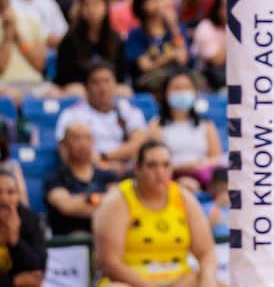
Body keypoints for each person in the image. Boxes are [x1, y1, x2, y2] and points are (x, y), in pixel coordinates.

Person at [92, 141, 222, 287]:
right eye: (152, 165)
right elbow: (109, 263)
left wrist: (208, 281)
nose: (160, 172)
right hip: (133, 281)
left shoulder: (184, 198)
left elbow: (206, 251)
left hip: (179, 279)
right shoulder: (117, 201)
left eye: (166, 165)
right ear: (137, 168)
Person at [55, 62, 148, 174]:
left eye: (107, 81)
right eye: (96, 82)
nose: (102, 88)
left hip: (126, 171)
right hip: (89, 173)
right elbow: (65, 152)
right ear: (86, 88)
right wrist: (103, 166)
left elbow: (137, 143)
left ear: (115, 85)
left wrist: (104, 157)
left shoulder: (128, 110)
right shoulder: (72, 114)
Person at [147, 71, 222, 193]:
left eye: (187, 88)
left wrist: (198, 165)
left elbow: (216, 159)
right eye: (176, 88)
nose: (182, 92)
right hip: (171, 177)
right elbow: (156, 160)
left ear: (195, 93)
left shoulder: (207, 125)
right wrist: (183, 169)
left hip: (204, 177)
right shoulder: (156, 125)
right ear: (166, 93)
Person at [45, 121, 120, 236]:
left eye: (87, 138)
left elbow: (119, 205)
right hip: (69, 242)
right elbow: (67, 207)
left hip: (104, 236)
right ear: (64, 144)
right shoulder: (55, 178)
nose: (83, 144)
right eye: (76, 138)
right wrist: (103, 201)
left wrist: (86, 200)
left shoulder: (109, 176)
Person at [53, 0, 127, 95]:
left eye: (96, 4)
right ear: (81, 9)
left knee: (124, 91)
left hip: (107, 85)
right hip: (79, 85)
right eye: (87, 5)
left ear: (106, 7)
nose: (91, 9)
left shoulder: (116, 39)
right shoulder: (70, 39)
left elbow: (120, 74)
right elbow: (64, 75)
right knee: (76, 91)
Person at [0, 169, 46, 287]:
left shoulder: (29, 219)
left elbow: (37, 269)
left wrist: (15, 241)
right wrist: (15, 282)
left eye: (10, 192)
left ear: (18, 196)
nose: (4, 198)